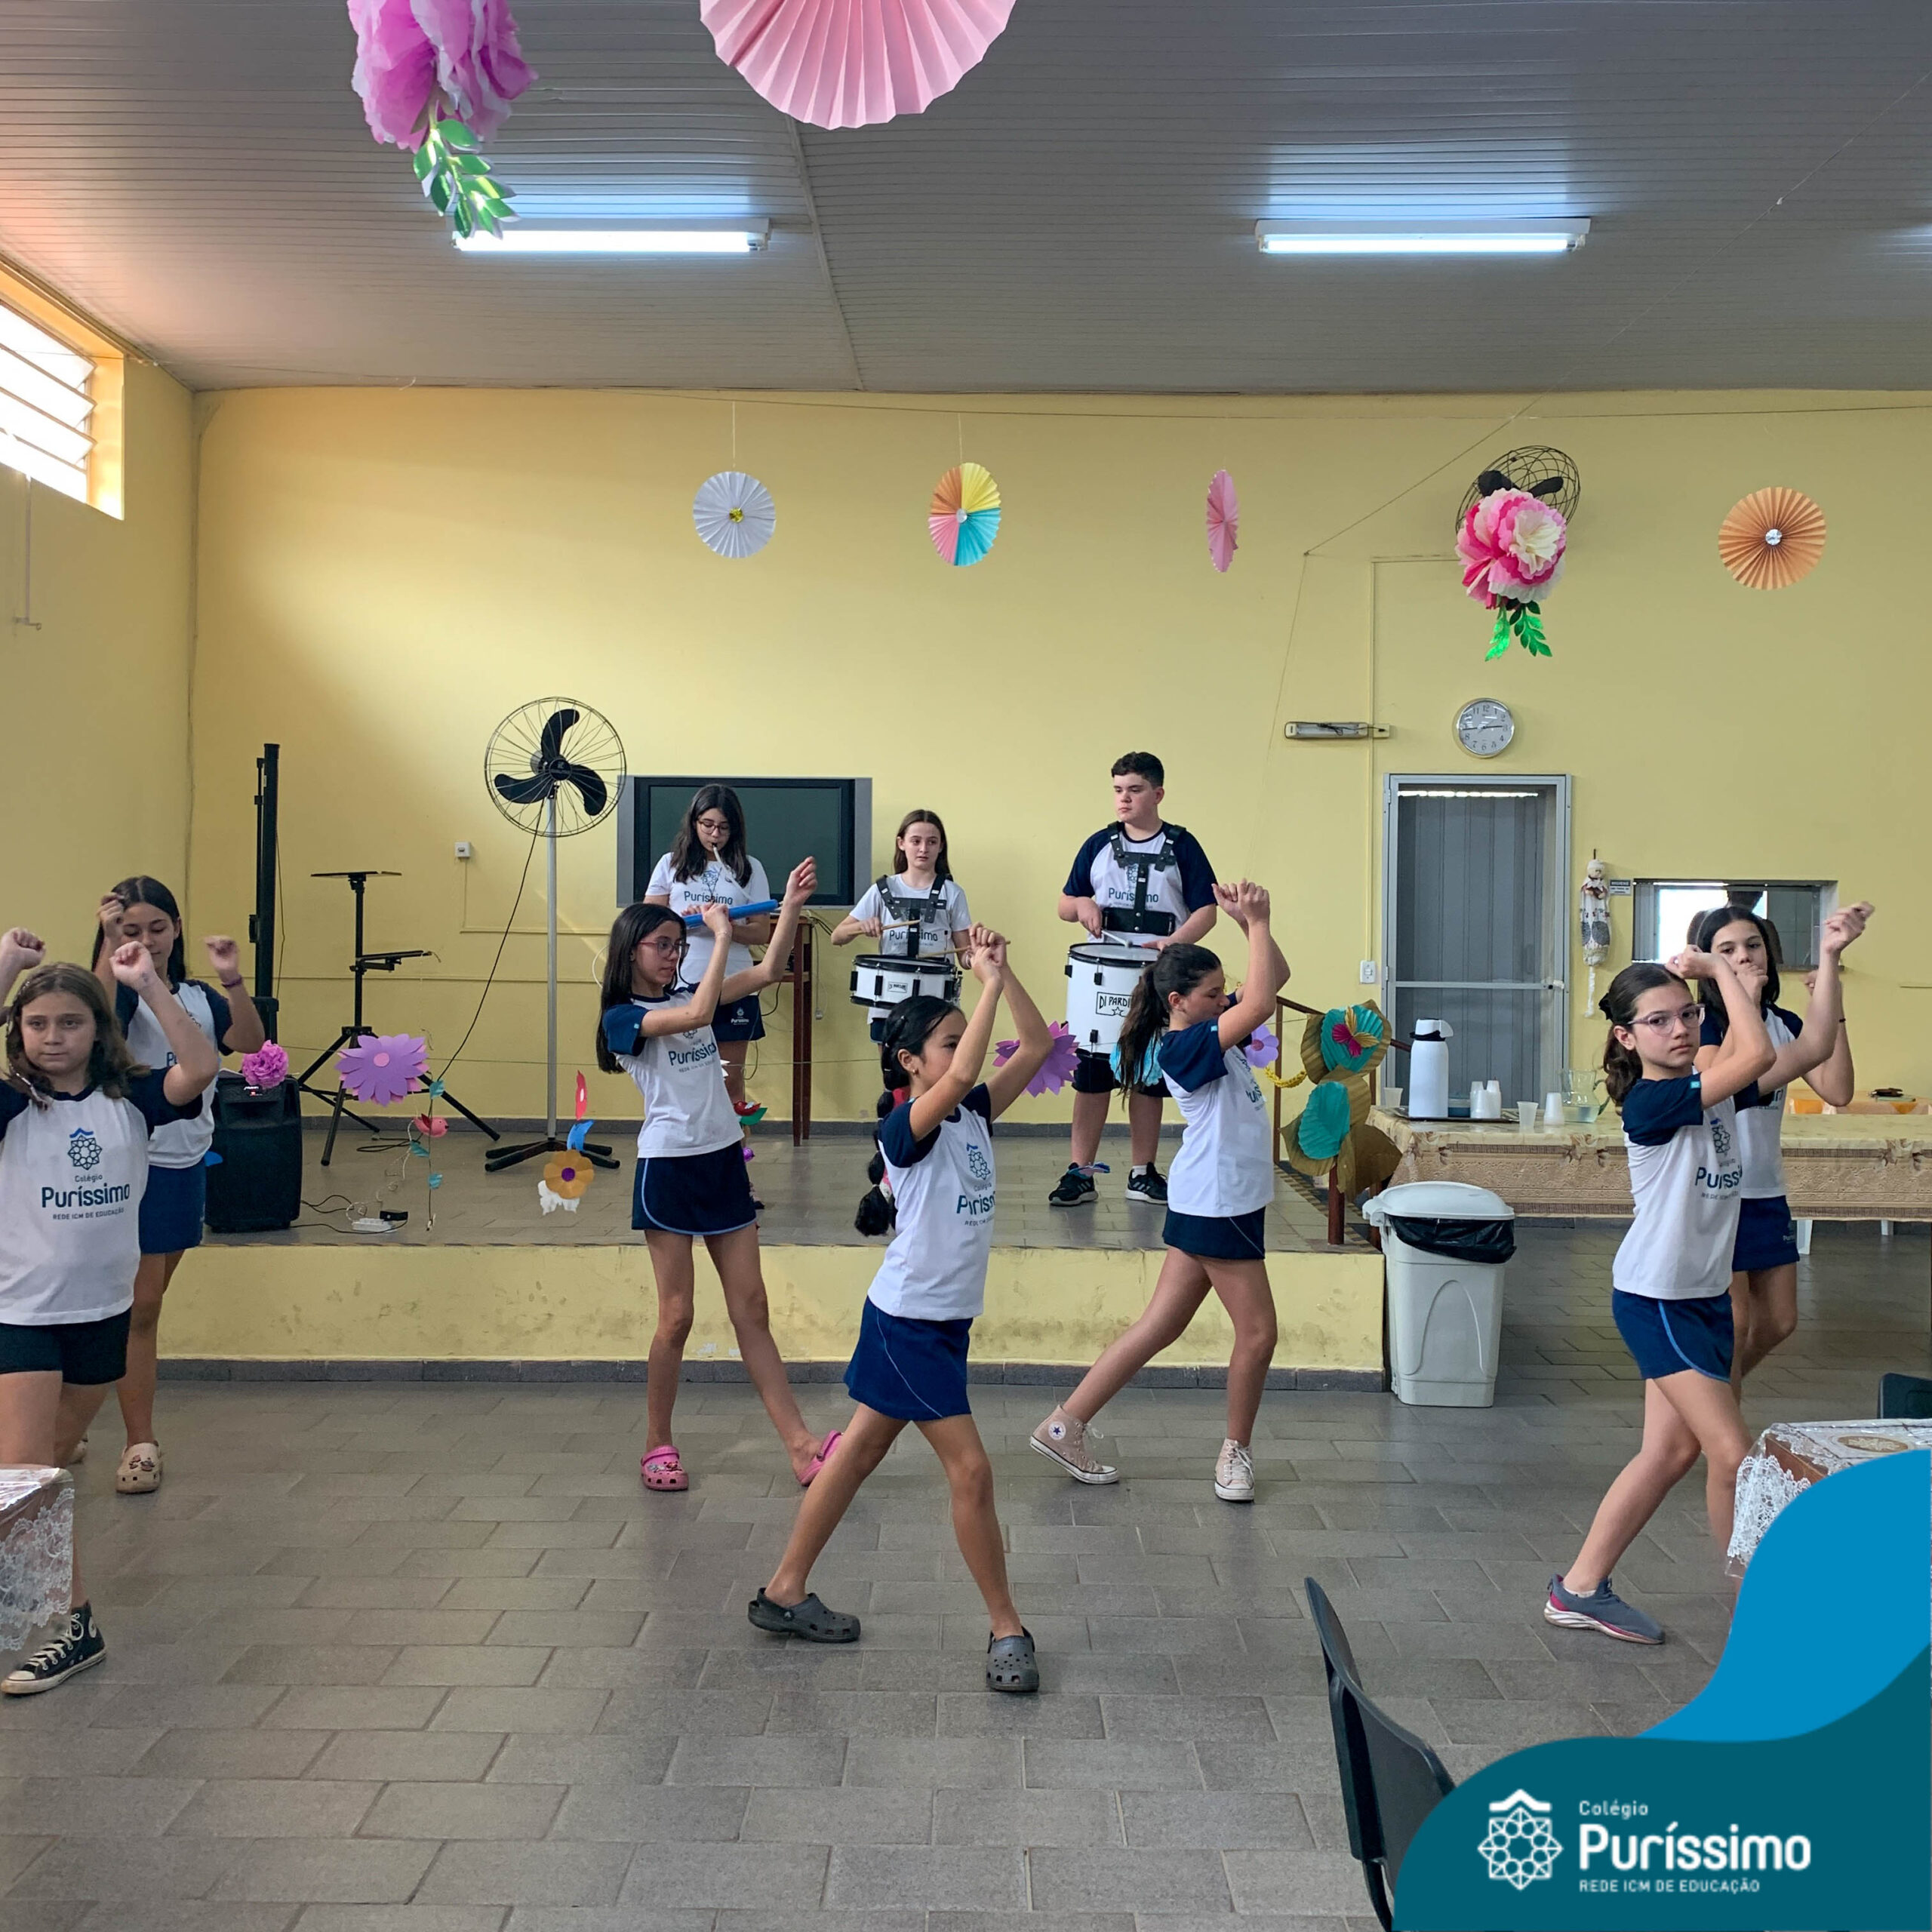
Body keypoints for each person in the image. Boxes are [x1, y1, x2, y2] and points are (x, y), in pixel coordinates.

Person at [748, 925, 1053, 1693]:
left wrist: (1003, 972)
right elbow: (964, 1073)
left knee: (856, 1453)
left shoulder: (972, 1112)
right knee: (972, 1471)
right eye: (947, 1041)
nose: (961, 1050)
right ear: (910, 1061)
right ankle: (1006, 1627)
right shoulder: (905, 1127)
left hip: (937, 1322)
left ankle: (783, 1589)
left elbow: (1037, 1045)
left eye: (962, 1037)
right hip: (909, 1323)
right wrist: (982, 983)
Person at [0, 928, 217, 1693]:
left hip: (102, 1317)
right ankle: (73, 1624)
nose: (53, 1037)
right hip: (21, 1313)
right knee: (24, 1476)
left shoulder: (133, 1100)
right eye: (37, 1024)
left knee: (37, 1475)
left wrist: (148, 982)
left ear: (99, 1029)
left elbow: (202, 1066)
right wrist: (6, 969)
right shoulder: (13, 1105)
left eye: (71, 1022)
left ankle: (34, 1597)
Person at [1544, 949, 1774, 1645]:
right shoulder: (1652, 1101)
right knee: (1734, 1456)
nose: (1678, 1029)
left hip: (1702, 1296)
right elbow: (1756, 1051)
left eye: (1687, 1015)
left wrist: (1817, 960)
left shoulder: (1709, 1083)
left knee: (1668, 1455)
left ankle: (1579, 1588)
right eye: (1657, 1021)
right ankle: (1759, 1614)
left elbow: (1789, 1051)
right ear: (1626, 1036)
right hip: (1659, 1299)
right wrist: (1719, 972)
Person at [1032, 882, 1288, 1502]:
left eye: (1224, 990)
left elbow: (1272, 981)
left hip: (1215, 1198)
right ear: (1178, 1002)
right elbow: (1259, 1003)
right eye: (1213, 993)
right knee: (1259, 1335)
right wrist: (1257, 921)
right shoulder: (1186, 1044)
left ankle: (1064, 1426)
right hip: (1219, 1204)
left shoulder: (1209, 1028)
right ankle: (1235, 1454)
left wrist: (1249, 926)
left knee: (1157, 1326)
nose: (1225, 998)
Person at [598, 860, 839, 1493]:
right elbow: (701, 1012)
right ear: (630, 950)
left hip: (723, 1161)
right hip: (669, 1170)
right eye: (662, 945)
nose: (672, 955)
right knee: (677, 1316)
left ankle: (802, 1448)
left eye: (677, 945)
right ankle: (657, 1443)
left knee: (752, 1309)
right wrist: (722, 933)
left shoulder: (687, 993)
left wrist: (790, 906)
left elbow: (765, 973)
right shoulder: (623, 1018)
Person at [87, 877, 266, 1494]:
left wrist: (232, 980)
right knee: (141, 1309)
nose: (147, 940)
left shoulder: (194, 996)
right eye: (131, 929)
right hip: (130, 1168)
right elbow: (98, 1022)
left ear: (177, 929)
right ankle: (139, 1442)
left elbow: (248, 1043)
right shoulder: (117, 992)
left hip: (185, 1164)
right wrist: (110, 946)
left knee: (137, 1306)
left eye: (157, 928)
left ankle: (71, 1401)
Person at [1687, 900, 1872, 1386]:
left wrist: (1834, 1005)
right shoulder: (1703, 1022)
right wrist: (1743, 1004)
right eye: (1727, 950)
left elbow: (1837, 1090)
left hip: (1766, 1190)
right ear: (1708, 962)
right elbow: (1715, 1083)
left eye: (1753, 945)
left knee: (1779, 1322)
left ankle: (1708, 1399)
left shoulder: (1784, 1021)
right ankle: (1715, 1415)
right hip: (1718, 1193)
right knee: (1733, 1325)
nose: (1744, 957)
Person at [1053, 752, 1217, 1208]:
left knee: (1149, 1074)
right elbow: (1065, 904)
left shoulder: (1183, 846)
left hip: (1157, 977)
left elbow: (1206, 911)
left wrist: (1174, 944)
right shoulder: (1098, 844)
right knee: (1092, 1073)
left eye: (1135, 790)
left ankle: (1142, 1172)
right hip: (1102, 977)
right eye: (1118, 790)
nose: (1124, 799)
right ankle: (1080, 1172)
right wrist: (1081, 905)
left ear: (1158, 794)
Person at [645, 785, 775, 1152]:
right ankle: (689, 1155)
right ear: (694, 822)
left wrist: (724, 927)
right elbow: (647, 923)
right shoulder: (670, 864)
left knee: (730, 1081)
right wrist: (680, 922)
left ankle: (737, 1166)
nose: (715, 834)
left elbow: (761, 932)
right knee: (683, 1078)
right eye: (708, 825)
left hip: (734, 983)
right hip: (681, 985)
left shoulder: (749, 869)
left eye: (724, 828)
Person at [831, 808, 973, 1037]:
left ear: (941, 846)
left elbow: (965, 956)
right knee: (891, 1062)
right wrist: (861, 926)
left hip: (936, 1004)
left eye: (932, 842)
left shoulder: (953, 893)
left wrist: (978, 954)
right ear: (901, 843)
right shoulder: (882, 889)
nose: (924, 849)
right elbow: (837, 936)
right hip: (888, 1003)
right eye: (916, 841)